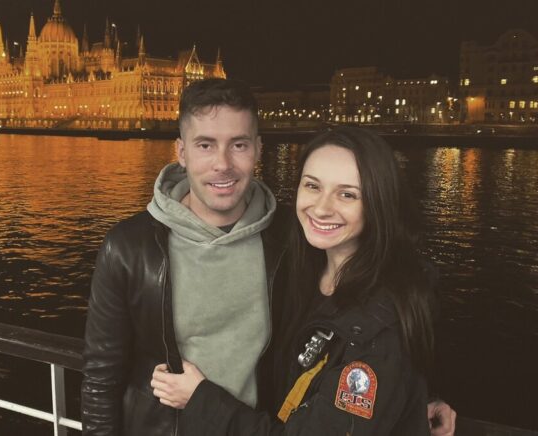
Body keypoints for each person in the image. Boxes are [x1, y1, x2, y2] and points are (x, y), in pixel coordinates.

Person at [82, 79, 455, 436]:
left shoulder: (286, 237)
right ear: (181, 152)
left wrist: (412, 395)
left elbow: (383, 325)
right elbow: (100, 376)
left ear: (258, 149)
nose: (222, 164)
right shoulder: (129, 247)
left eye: (239, 145)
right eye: (205, 145)